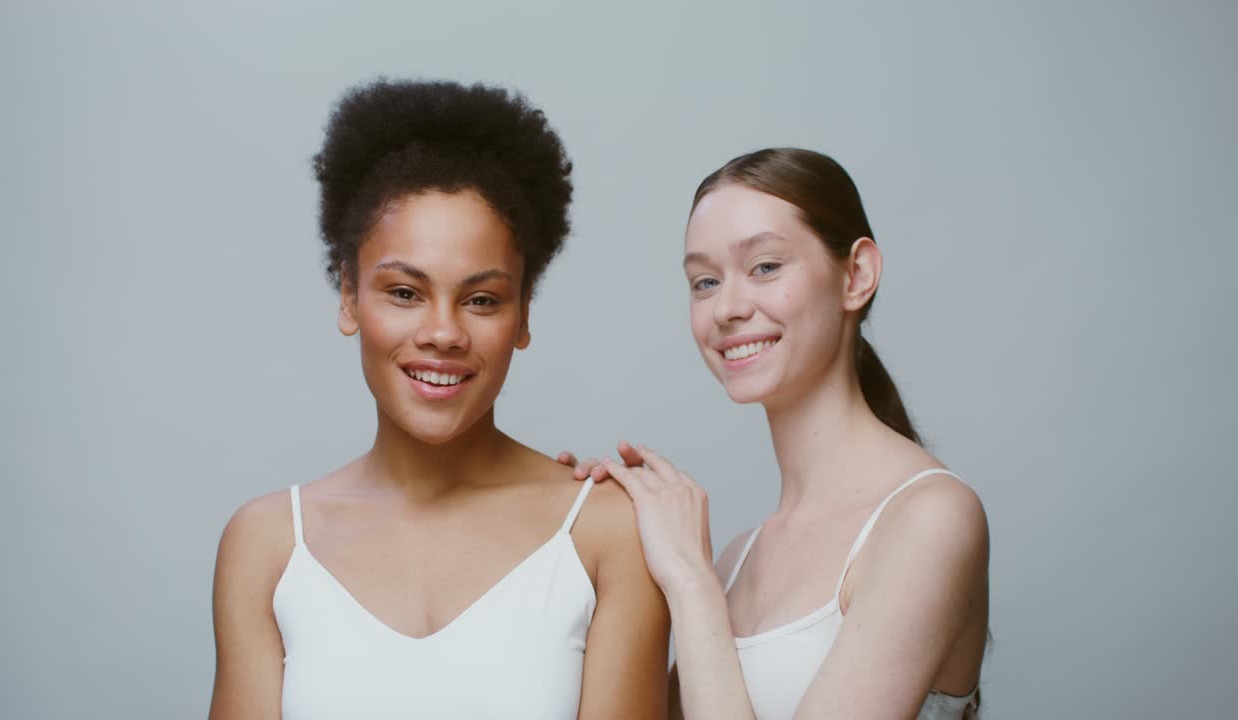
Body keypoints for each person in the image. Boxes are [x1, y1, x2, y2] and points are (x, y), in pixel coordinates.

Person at [209, 78, 670, 719]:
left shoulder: (606, 533)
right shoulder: (267, 546)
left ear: (523, 315)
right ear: (348, 296)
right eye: (404, 292)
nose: (443, 333)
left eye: (481, 299)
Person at [560, 148, 988, 719]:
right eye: (705, 281)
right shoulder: (737, 561)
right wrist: (579, 556)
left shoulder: (932, 518)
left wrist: (689, 581)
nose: (728, 309)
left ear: (856, 275)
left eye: (765, 266)